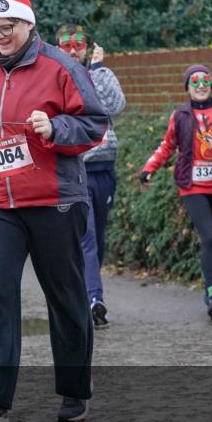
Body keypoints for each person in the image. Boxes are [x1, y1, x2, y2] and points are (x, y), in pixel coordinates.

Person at [0, 0, 108, 422]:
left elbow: (94, 123)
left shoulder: (61, 66)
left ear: (28, 23)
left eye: (9, 28)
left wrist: (55, 128)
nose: (1, 36)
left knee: (64, 295)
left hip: (54, 200)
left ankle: (74, 391)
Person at [140, 64, 212, 321]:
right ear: (187, 87)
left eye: (205, 81)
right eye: (195, 82)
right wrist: (148, 169)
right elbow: (167, 146)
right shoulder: (180, 115)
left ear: (211, 85)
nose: (201, 86)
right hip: (193, 186)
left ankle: (210, 275)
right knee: (209, 238)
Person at [58, 25, 126, 328]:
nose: (74, 50)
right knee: (86, 237)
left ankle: (87, 295)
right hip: (76, 168)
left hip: (105, 169)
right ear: (58, 47)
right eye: (67, 45)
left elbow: (114, 105)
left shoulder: (98, 73)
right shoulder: (54, 75)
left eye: (80, 45)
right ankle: (94, 298)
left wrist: (98, 69)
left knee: (98, 237)